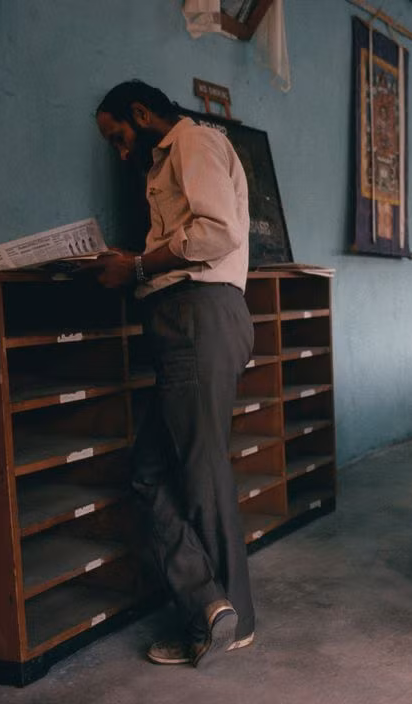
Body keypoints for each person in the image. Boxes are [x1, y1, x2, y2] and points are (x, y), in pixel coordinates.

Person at [89, 80, 255, 664]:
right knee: (159, 469)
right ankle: (220, 609)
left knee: (188, 471)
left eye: (118, 136)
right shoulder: (178, 155)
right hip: (194, 318)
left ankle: (215, 612)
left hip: (198, 314)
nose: (119, 150)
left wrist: (135, 264)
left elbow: (218, 232)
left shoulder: (192, 142)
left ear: (141, 113)